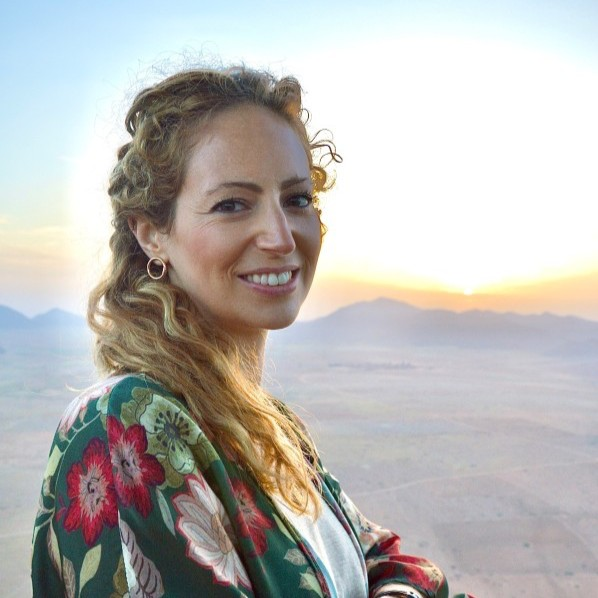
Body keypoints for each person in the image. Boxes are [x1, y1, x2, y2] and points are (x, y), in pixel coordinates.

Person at [31, 65, 472, 597]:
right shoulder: (129, 425)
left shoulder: (269, 426)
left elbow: (378, 558)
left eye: (297, 199)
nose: (280, 237)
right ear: (151, 233)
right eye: (233, 205)